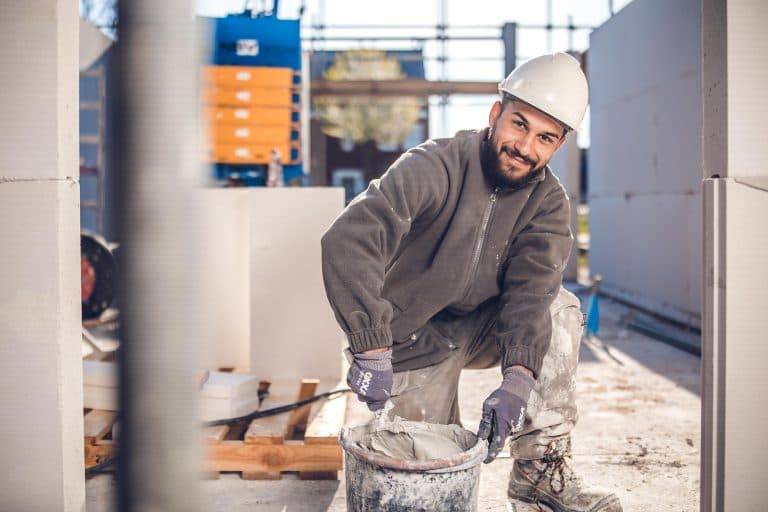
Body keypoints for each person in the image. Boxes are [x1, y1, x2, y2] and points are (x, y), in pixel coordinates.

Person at [321, 52, 622, 512]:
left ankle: (539, 472)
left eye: (545, 138)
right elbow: (349, 240)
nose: (526, 146)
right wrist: (371, 345)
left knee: (559, 307)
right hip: (413, 338)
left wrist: (519, 377)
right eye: (519, 125)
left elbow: (531, 294)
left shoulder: (547, 204)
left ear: (558, 145)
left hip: (486, 330)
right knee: (421, 470)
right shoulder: (434, 166)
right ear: (495, 113)